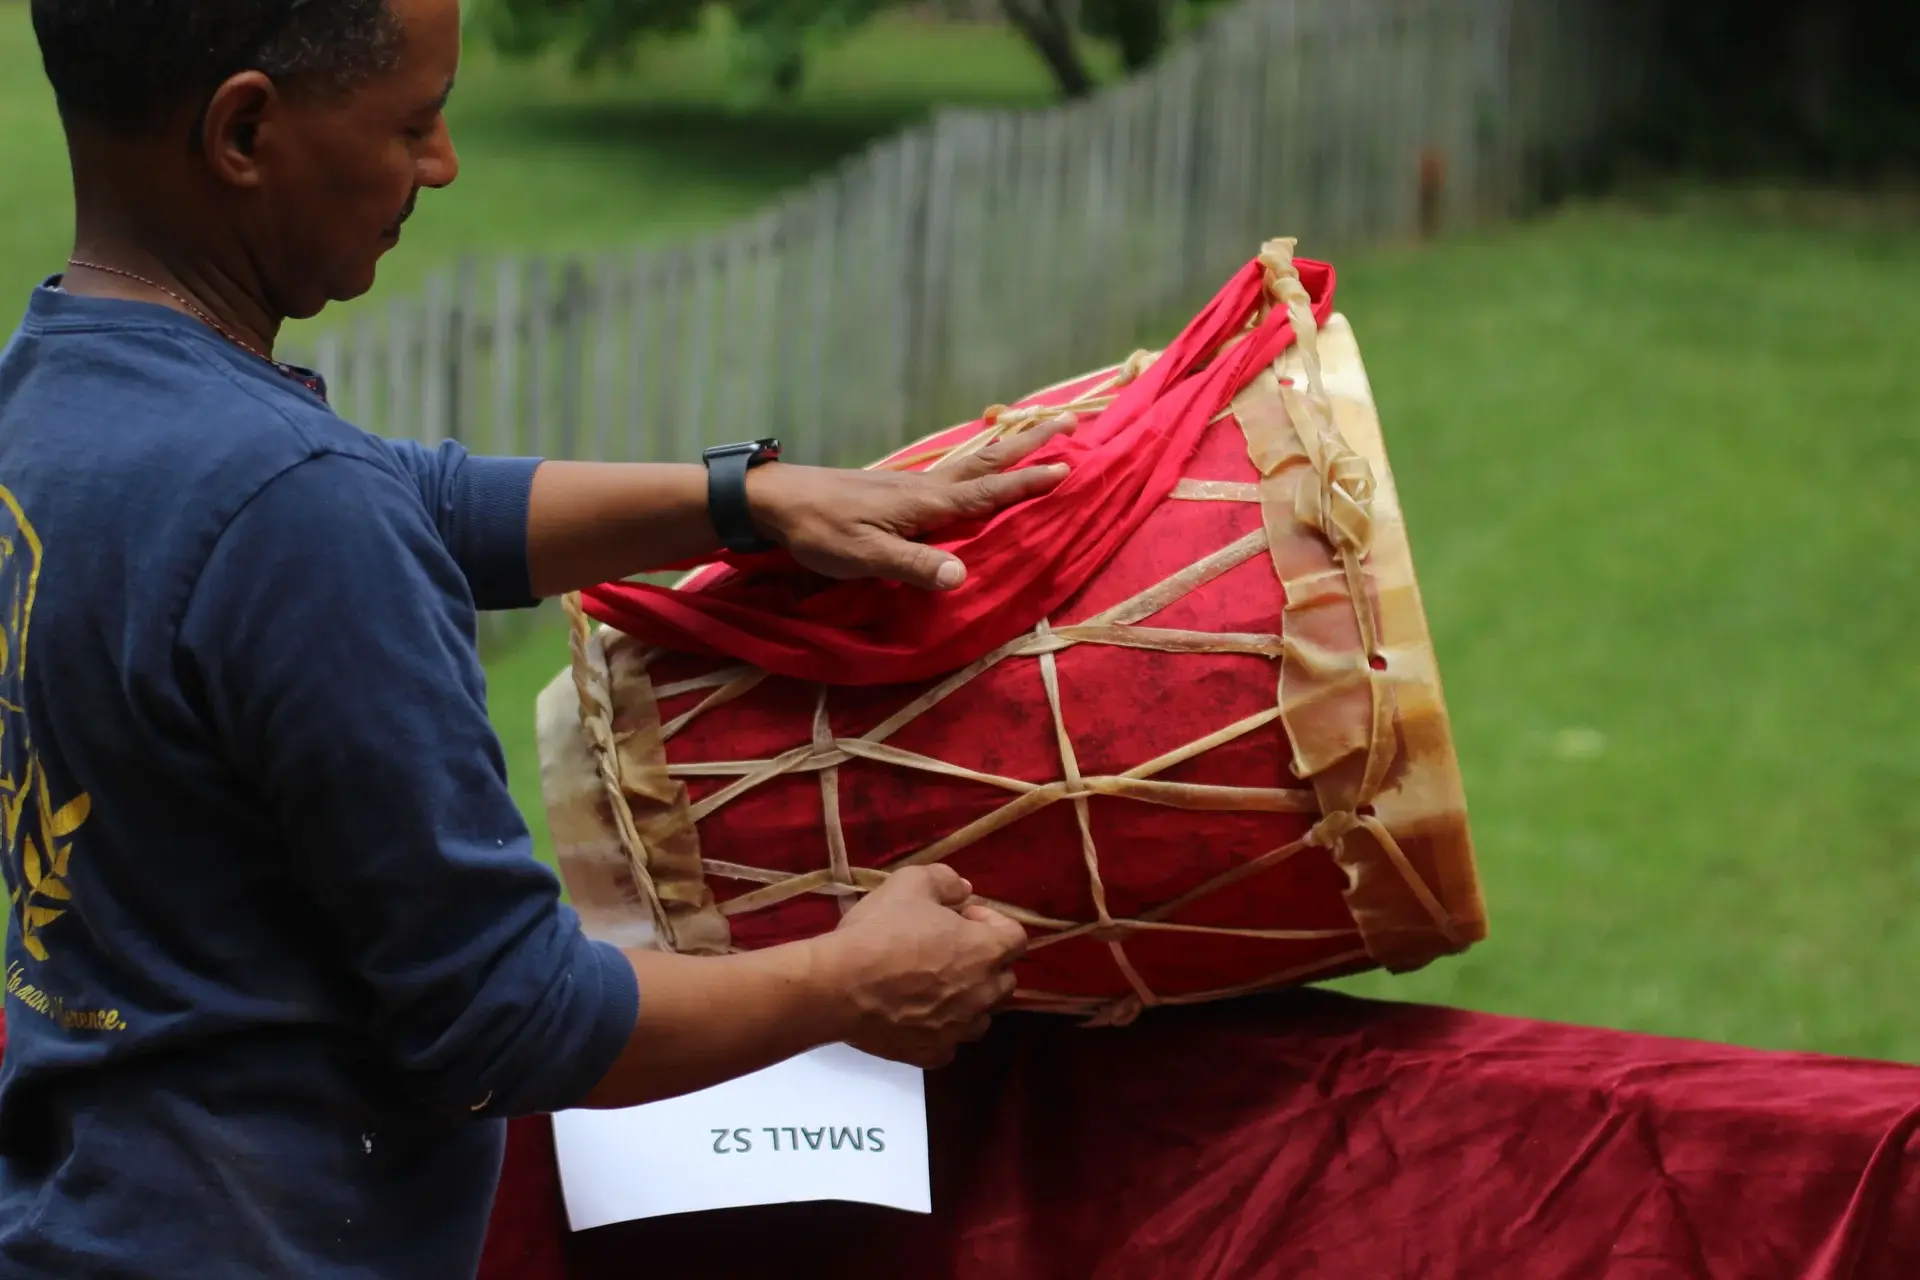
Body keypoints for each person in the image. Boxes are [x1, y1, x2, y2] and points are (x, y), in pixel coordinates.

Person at [0, 1, 1067, 1275]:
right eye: (411, 119)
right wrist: (854, 980)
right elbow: (511, 1017)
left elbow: (407, 499)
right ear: (244, 131)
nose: (444, 161)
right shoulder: (292, 507)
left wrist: (735, 499)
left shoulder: (55, 399)